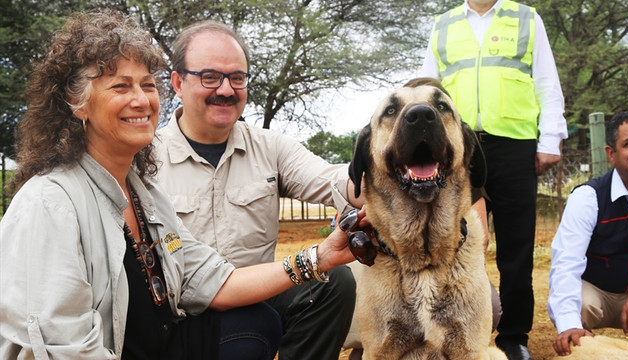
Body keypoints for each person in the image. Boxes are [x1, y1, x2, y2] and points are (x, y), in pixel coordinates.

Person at [0, 9, 361, 359]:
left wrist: (320, 256)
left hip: (177, 325)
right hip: (150, 329)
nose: (141, 100)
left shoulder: (143, 190)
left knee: (257, 322)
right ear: (77, 103)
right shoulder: (51, 202)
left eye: (146, 85)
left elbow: (207, 277)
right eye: (120, 86)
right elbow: (64, 345)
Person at [153, 20, 364, 360]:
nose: (225, 89)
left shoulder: (270, 147)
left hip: (258, 293)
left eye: (237, 78)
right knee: (247, 326)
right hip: (182, 313)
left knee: (334, 283)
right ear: (178, 82)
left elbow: (332, 180)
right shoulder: (147, 159)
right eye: (210, 77)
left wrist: (392, 174)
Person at [419, 0, 568, 359]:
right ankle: (455, 329)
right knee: (458, 244)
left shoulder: (526, 19)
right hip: (459, 149)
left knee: (517, 246)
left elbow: (547, 83)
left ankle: (514, 336)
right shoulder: (444, 24)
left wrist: (549, 140)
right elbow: (426, 88)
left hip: (515, 145)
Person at [547, 110, 628, 356]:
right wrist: (569, 325)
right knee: (577, 306)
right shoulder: (588, 198)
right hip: (596, 296)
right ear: (611, 154)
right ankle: (582, 346)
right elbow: (566, 263)